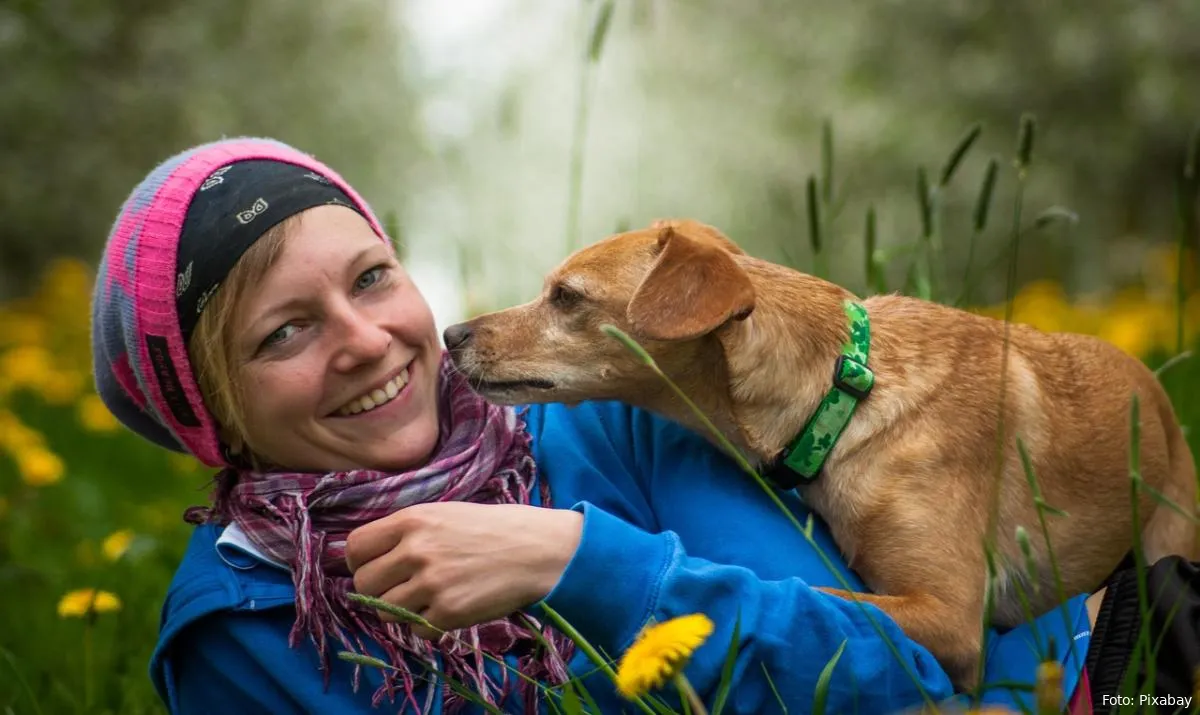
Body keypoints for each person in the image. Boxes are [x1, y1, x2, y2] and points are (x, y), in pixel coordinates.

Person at [91, 136, 1104, 715]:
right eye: (285, 333)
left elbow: (908, 684)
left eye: (372, 278)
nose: (367, 341)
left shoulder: (622, 421)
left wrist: (583, 563)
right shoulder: (239, 629)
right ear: (210, 413)